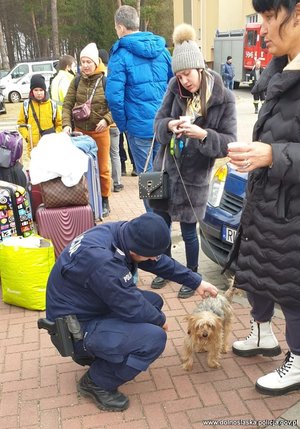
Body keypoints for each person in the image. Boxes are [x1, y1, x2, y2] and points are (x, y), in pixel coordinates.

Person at [46, 212, 218, 411]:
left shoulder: (121, 233)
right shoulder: (103, 262)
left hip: (88, 305)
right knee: (154, 338)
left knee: (153, 302)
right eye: (151, 253)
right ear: (135, 248)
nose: (154, 257)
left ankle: (106, 351)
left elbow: (158, 262)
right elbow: (131, 305)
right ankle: (96, 382)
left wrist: (196, 282)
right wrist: (160, 320)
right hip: (73, 328)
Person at [226, 0, 300, 396]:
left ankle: (299, 360)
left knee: (291, 286)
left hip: (291, 206)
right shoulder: (281, 68)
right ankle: (262, 333)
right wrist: (257, 153)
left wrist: (273, 154)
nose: (264, 28)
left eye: (271, 17)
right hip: (271, 196)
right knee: (256, 269)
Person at [150, 23, 237, 298]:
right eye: (178, 75)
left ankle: (192, 276)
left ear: (199, 68)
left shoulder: (224, 98)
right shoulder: (173, 88)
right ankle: (164, 269)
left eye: (187, 74)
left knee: (189, 231)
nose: (184, 81)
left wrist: (203, 134)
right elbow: (157, 124)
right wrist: (170, 125)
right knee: (160, 225)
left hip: (194, 176)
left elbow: (228, 143)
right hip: (165, 169)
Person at [106, 5, 173, 188]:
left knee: (149, 180)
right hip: (163, 124)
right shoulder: (163, 51)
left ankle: (155, 216)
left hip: (138, 127)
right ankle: (163, 215)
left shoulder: (120, 55)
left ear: (120, 27)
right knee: (161, 174)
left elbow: (113, 96)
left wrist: (123, 125)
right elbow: (175, 85)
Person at [62, 42, 113, 217]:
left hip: (100, 133)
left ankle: (104, 200)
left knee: (103, 168)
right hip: (80, 133)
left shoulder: (106, 82)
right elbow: (67, 104)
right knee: (79, 168)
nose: (85, 65)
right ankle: (84, 200)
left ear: (96, 62)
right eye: (82, 62)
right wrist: (66, 124)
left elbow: (116, 106)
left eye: (88, 62)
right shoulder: (76, 81)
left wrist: (106, 121)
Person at [17, 74, 62, 164]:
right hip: (34, 148)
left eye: (41, 90)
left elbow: (59, 124)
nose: (39, 93)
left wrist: (55, 136)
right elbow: (21, 123)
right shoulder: (26, 105)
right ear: (31, 91)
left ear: (44, 90)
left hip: (49, 147)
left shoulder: (52, 105)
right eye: (36, 90)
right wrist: (27, 136)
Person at [98, 48, 124, 193]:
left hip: (104, 122)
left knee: (103, 155)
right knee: (115, 153)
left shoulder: (100, 77)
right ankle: (118, 182)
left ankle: (105, 183)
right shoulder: (114, 73)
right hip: (115, 122)